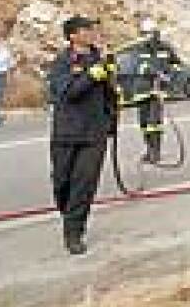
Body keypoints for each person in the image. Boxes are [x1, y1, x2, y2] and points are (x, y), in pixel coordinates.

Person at [46, 16, 117, 255]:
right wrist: (90, 77)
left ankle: (74, 232)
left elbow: (112, 96)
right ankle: (70, 215)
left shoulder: (102, 60)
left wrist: (111, 120)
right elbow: (67, 93)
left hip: (94, 133)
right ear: (73, 35)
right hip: (66, 132)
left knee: (84, 185)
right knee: (62, 183)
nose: (92, 32)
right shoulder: (62, 62)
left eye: (92, 28)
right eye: (86, 29)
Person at [123, 18, 181, 165]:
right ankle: (149, 150)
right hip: (143, 90)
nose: (149, 36)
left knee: (154, 122)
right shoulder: (139, 49)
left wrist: (169, 76)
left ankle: (156, 151)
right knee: (144, 124)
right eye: (146, 33)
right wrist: (154, 72)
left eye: (152, 33)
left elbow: (177, 65)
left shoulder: (165, 48)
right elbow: (138, 66)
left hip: (158, 91)